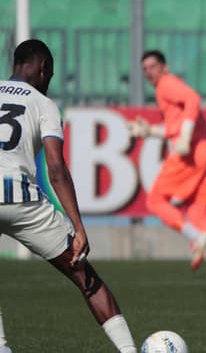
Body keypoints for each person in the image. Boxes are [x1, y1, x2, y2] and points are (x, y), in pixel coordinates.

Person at [0, 39, 137, 352]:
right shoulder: (43, 104)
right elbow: (56, 167)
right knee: (84, 276)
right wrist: (78, 226)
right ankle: (129, 351)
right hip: (22, 201)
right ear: (43, 68)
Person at [127, 50, 206, 281]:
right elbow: (175, 125)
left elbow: (193, 99)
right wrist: (150, 131)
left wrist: (186, 135)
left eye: (153, 66)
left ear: (164, 67)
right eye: (144, 68)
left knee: (155, 200)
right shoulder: (165, 88)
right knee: (197, 213)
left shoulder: (166, 83)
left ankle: (195, 237)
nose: (149, 72)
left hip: (192, 153)